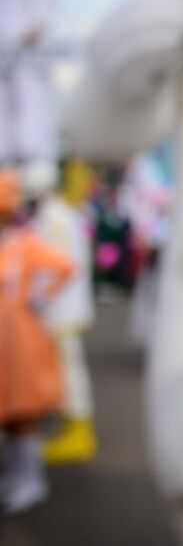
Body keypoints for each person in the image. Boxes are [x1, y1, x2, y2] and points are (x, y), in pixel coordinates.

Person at [0, 168, 73, 515]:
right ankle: (15, 475)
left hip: (20, 340)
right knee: (8, 415)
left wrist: (41, 296)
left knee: (22, 411)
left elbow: (65, 265)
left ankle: (30, 479)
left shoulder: (22, 244)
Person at [20, 160, 97, 464]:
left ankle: (79, 431)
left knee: (70, 371)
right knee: (64, 370)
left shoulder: (52, 217)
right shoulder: (58, 213)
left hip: (61, 309)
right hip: (62, 307)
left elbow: (63, 266)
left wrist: (41, 296)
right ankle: (71, 426)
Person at [0, 0, 58, 166]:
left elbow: (47, 6)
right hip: (5, 47)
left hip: (26, 48)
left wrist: (36, 29)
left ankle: (29, 158)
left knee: (29, 99)